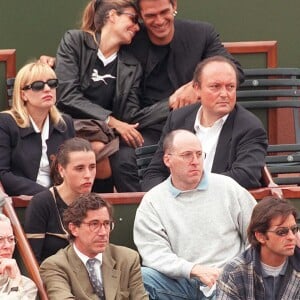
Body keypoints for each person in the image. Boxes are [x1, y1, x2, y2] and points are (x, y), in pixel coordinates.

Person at [40, 0, 244, 192]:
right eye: (149, 16)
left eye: (164, 12)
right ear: (138, 16)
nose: (159, 20)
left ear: (174, 5)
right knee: (116, 156)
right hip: (136, 125)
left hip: (194, 120)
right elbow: (82, 67)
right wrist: (54, 64)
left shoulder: (199, 34)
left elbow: (235, 70)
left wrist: (195, 86)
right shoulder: (126, 42)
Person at [55, 0, 177, 192]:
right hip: (68, 123)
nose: (137, 27)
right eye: (133, 19)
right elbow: (67, 96)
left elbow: (129, 115)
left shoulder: (131, 64)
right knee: (94, 148)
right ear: (112, 16)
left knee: (99, 148)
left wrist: (169, 103)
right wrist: (112, 121)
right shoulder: (76, 41)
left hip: (103, 132)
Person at [133, 129, 257, 300]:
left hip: (228, 279)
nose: (195, 161)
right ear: (167, 160)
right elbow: (154, 253)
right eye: (187, 155)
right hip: (182, 281)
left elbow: (257, 233)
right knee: (140, 277)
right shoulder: (153, 201)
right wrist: (193, 270)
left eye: (199, 154)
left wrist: (236, 272)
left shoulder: (228, 187)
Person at [142, 56, 268, 191]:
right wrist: (169, 197)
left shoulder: (250, 127)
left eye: (230, 87)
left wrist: (193, 189)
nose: (224, 94)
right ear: (197, 88)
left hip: (221, 204)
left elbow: (245, 176)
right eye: (215, 87)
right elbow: (155, 173)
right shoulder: (177, 119)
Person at [40, 193, 149, 300]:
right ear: (74, 229)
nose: (103, 232)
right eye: (94, 224)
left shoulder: (128, 259)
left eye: (106, 224)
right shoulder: (55, 266)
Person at [0, 61, 75, 196]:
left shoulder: (65, 123)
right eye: (38, 86)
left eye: (52, 83)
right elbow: (3, 174)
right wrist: (47, 195)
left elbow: (72, 168)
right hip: (21, 202)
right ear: (23, 95)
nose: (47, 89)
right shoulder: (6, 123)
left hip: (61, 201)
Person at [24, 137, 96, 264]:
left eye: (92, 167)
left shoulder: (96, 204)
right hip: (52, 278)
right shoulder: (42, 203)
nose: (88, 175)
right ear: (61, 169)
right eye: (79, 168)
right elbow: (31, 260)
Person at [216, 196, 300, 300]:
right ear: (260, 236)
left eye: (294, 229)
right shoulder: (234, 272)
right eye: (282, 232)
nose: (291, 237)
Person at [0, 213, 37, 299]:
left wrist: (15, 282)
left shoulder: (27, 285)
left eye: (11, 239)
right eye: (0, 240)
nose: (7, 246)